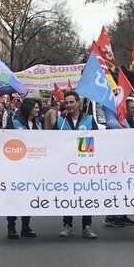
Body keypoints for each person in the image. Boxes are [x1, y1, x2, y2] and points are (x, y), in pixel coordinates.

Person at [53, 91, 98, 239]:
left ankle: (87, 226)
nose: (69, 105)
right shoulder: (61, 121)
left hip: (85, 165)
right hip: (66, 166)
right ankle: (67, 224)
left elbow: (98, 139)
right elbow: (53, 141)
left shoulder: (89, 119)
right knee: (68, 195)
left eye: (72, 102)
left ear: (78, 103)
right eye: (66, 103)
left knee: (86, 195)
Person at [5, 98, 40, 239]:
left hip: (31, 168)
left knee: (28, 197)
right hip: (15, 167)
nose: (38, 110)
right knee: (14, 198)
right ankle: (11, 227)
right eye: (36, 107)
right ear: (28, 108)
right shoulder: (14, 122)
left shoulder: (38, 124)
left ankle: (26, 226)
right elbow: (4, 138)